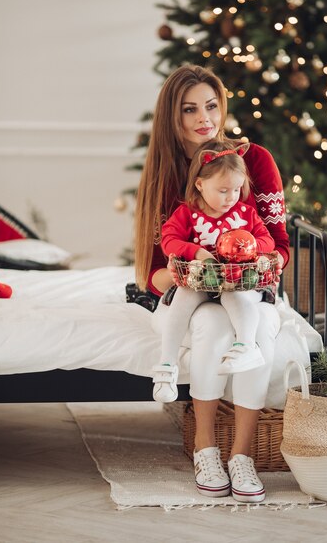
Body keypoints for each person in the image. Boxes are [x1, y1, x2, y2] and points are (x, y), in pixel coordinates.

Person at [135, 64, 289, 504]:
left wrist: (253, 263)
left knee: (254, 327)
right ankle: (206, 447)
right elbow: (154, 271)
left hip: (248, 283)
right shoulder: (167, 173)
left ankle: (242, 456)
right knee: (209, 327)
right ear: (173, 117)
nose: (205, 117)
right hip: (192, 288)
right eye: (190, 109)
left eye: (211, 105)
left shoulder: (252, 160)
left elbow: (278, 244)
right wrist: (193, 270)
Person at [152, 138, 280, 404]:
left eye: (236, 189)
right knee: (183, 296)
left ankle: (246, 346)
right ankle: (166, 365)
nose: (231, 197)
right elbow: (169, 240)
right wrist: (196, 251)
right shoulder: (187, 213)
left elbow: (269, 240)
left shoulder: (245, 213)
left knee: (236, 295)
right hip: (203, 282)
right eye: (223, 190)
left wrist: (251, 245)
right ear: (200, 184)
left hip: (237, 282)